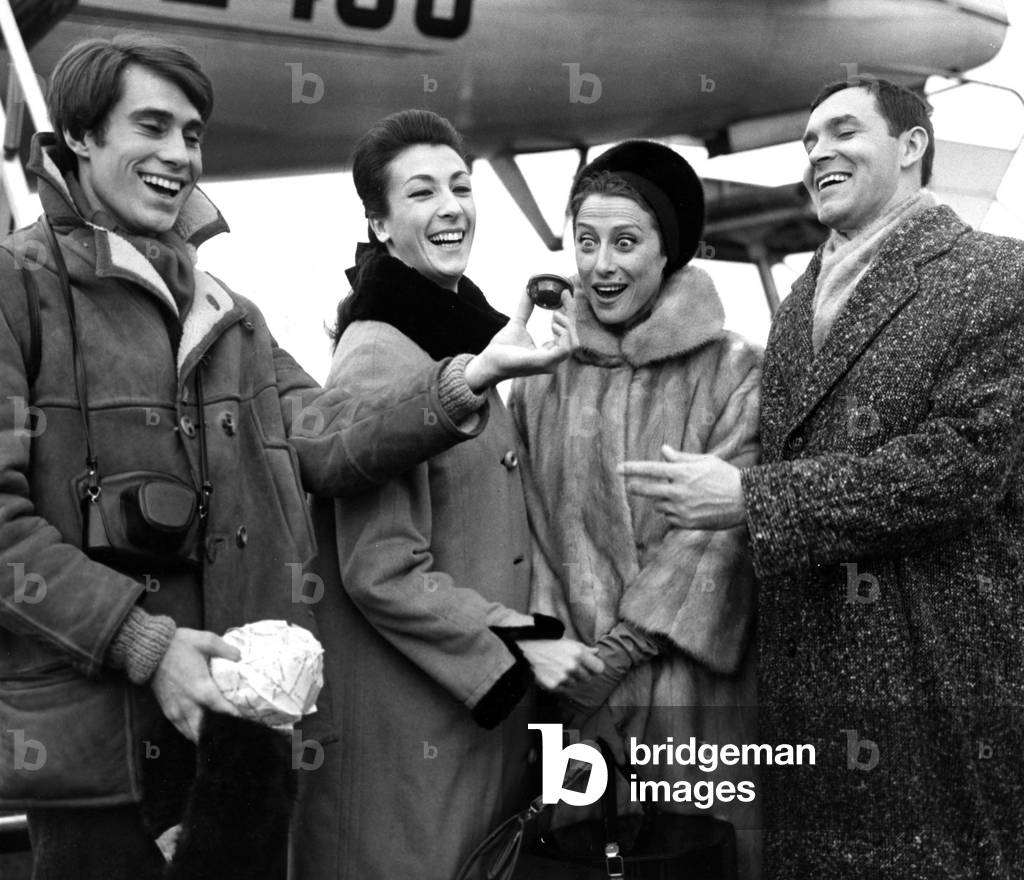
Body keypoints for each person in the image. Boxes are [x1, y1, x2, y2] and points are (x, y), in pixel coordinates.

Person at [0, 37, 566, 880]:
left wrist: (466, 378)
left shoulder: (233, 314)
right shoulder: (18, 289)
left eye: (192, 134)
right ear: (79, 136)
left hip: (243, 746)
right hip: (104, 760)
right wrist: (147, 646)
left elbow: (330, 439)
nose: (178, 155)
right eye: (151, 126)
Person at [620, 77, 1024, 878]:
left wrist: (752, 499)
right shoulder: (800, 298)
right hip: (810, 688)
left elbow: (964, 464)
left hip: (936, 679)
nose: (818, 153)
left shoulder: (995, 273)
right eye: (807, 142)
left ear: (912, 148)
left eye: (843, 131)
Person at [290, 109, 604, 880]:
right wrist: (526, 640)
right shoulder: (380, 355)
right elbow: (381, 569)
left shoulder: (454, 340)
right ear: (380, 222)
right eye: (422, 192)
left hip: (463, 722)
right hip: (408, 738)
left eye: (461, 186)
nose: (452, 207)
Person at [509, 141, 763, 879]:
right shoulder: (540, 378)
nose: (601, 265)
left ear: (669, 254)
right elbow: (523, 529)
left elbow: (729, 532)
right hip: (576, 697)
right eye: (585, 242)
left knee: (693, 858)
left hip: (691, 701)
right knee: (584, 863)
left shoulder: (736, 371)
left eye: (626, 242)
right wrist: (556, 645)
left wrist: (626, 648)